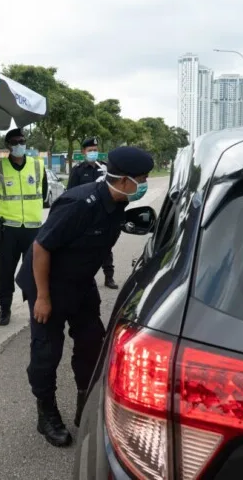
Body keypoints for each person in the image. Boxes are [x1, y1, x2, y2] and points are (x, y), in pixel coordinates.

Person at [15, 146, 153, 447]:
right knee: (47, 351)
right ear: (125, 179)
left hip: (79, 282)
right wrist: (42, 297)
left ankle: (85, 405)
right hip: (47, 284)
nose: (144, 183)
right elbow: (41, 248)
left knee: (92, 343)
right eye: (141, 178)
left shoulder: (118, 204)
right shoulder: (79, 203)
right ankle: (46, 414)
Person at [0, 128, 47, 326]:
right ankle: (5, 308)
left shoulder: (38, 165)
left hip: (32, 228)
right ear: (8, 146)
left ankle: (35, 307)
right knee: (6, 271)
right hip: (8, 229)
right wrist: (6, 214)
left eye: (22, 141)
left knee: (34, 270)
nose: (19, 145)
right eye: (15, 142)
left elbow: (43, 192)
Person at [67, 138, 118, 290]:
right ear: (83, 152)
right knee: (82, 247)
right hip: (85, 215)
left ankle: (109, 277)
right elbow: (71, 193)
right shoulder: (78, 170)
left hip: (103, 214)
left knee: (106, 247)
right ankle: (82, 278)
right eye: (90, 150)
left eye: (95, 150)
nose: (93, 153)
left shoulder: (105, 168)